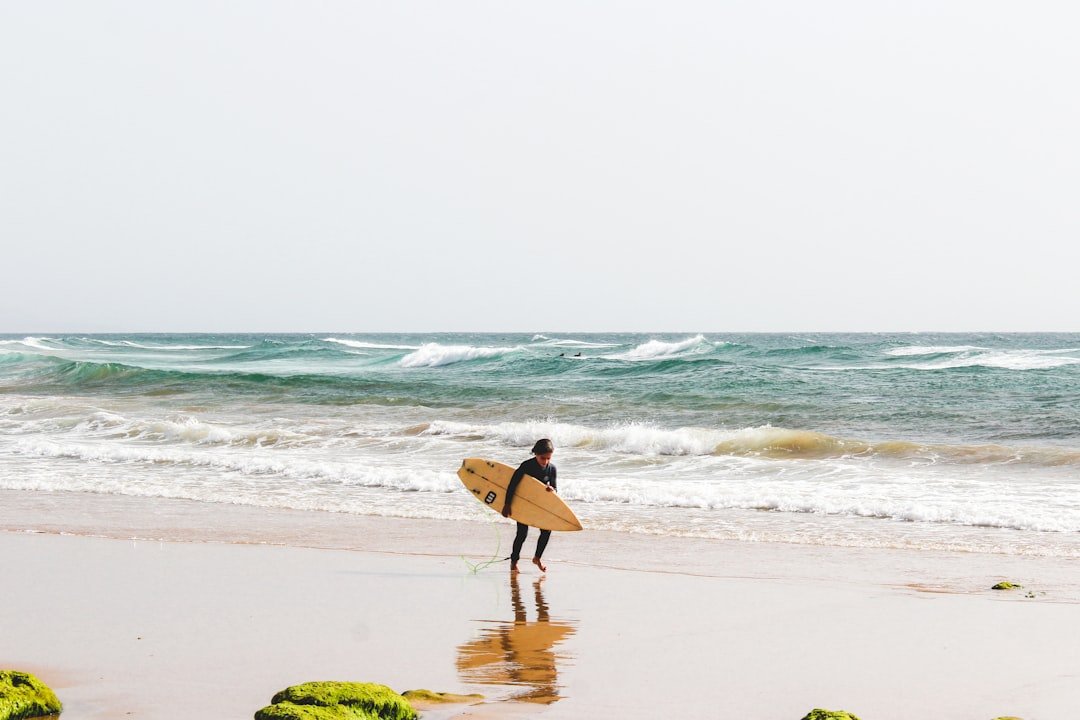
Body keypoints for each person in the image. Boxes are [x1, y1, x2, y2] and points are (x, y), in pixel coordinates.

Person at [502, 439, 557, 574]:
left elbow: (555, 489)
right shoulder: (526, 466)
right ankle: (514, 561)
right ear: (535, 454)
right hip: (524, 503)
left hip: (540, 504)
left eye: (548, 458)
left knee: (546, 531)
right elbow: (512, 485)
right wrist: (507, 504)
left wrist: (552, 490)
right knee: (522, 533)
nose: (545, 461)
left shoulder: (552, 469)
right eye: (542, 458)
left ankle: (537, 558)